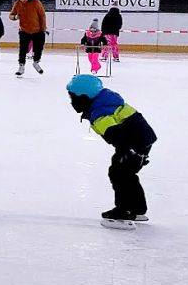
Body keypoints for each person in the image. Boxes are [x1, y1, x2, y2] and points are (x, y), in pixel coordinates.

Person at [65, 74, 157, 226]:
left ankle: (125, 210)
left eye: (73, 98)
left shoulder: (100, 113)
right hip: (139, 140)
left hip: (132, 143)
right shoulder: (105, 102)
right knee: (125, 173)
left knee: (119, 173)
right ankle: (137, 209)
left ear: (84, 97)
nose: (71, 102)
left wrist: (130, 152)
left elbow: (115, 135)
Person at [9, 0, 48, 76]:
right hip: (24, 31)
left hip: (38, 30)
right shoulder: (17, 4)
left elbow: (42, 16)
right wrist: (15, 17)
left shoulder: (36, 3)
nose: (23, 0)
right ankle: (21, 66)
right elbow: (11, 15)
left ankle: (36, 62)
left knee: (39, 48)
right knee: (22, 49)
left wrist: (43, 29)